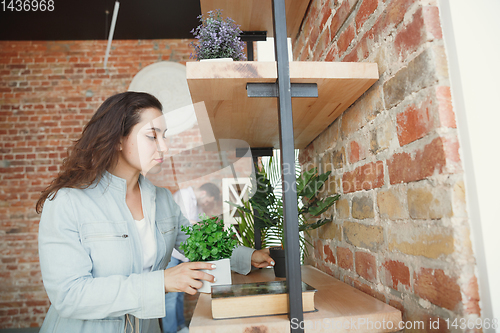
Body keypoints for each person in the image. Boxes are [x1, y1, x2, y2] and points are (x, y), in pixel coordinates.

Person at [36, 92, 274, 333]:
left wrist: (247, 257)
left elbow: (195, 243)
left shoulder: (161, 199)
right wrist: (162, 283)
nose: (164, 146)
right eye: (152, 136)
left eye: (164, 136)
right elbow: (69, 295)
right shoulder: (68, 202)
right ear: (118, 139)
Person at [162, 183, 220, 333]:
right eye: (208, 201)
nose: (206, 204)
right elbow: (185, 225)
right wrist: (206, 225)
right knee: (170, 299)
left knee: (180, 295)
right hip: (173, 254)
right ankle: (171, 330)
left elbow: (198, 224)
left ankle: (180, 327)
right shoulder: (184, 195)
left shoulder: (197, 204)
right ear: (203, 193)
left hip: (184, 254)